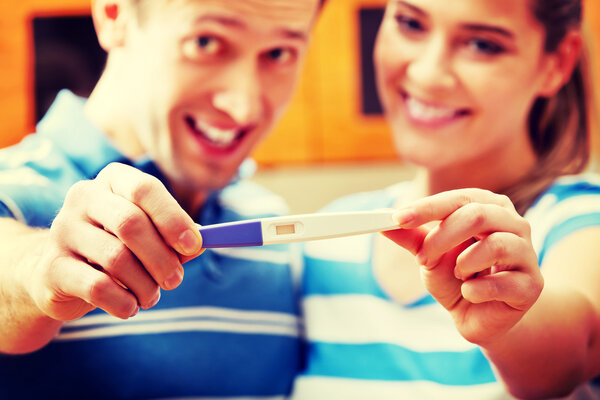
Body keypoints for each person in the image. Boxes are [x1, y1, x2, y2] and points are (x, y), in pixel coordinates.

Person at [0, 0, 324, 398]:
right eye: (205, 42)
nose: (242, 106)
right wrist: (42, 269)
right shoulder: (10, 192)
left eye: (279, 53)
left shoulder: (273, 224)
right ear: (114, 14)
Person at [292, 0, 600, 399]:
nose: (428, 73)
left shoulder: (580, 220)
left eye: (482, 45)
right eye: (409, 23)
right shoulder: (324, 240)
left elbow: (575, 351)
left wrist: (508, 325)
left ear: (557, 63)